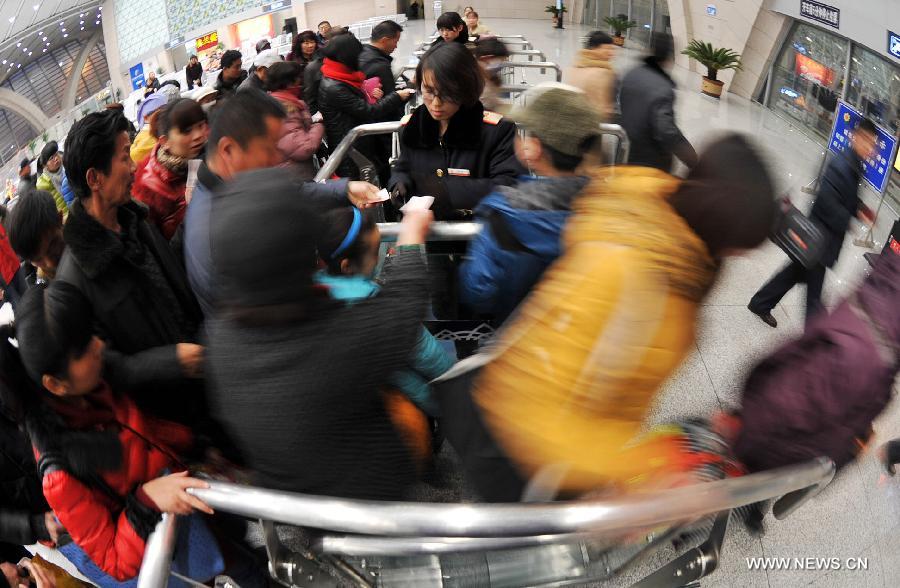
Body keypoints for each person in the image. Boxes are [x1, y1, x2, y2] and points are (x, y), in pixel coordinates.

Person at [438, 134, 776, 501]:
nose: (741, 256)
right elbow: (534, 411)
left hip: (582, 436)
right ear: (720, 221)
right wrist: (642, 466)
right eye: (741, 244)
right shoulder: (631, 273)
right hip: (526, 458)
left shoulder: (669, 232)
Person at [14, 281, 265, 587]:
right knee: (238, 567)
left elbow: (140, 431)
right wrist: (146, 502)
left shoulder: (96, 383)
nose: (99, 345)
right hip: (174, 533)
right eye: (83, 348)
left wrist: (193, 444)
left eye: (90, 334)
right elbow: (114, 561)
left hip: (189, 492)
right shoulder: (61, 475)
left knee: (241, 547)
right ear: (55, 383)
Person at [207, 168, 435, 499]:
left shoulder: (222, 335)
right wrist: (412, 235)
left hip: (294, 499)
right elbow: (403, 306)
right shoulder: (333, 342)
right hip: (370, 496)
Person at [57, 110, 205, 421]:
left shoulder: (135, 218)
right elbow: (107, 368)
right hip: (171, 413)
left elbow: (168, 275)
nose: (134, 166)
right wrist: (171, 362)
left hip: (204, 372)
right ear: (94, 178)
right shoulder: (76, 278)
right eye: (125, 157)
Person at [183, 90, 379, 318]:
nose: (279, 158)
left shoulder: (241, 187)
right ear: (228, 150)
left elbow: (291, 192)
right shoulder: (212, 236)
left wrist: (343, 188)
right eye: (269, 149)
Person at [731, 247, 899, 475]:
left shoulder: (882, 313)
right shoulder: (869, 355)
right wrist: (744, 460)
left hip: (770, 448)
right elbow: (782, 409)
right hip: (755, 458)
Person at [459, 85, 601, 324]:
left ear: (534, 149)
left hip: (521, 336)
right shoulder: (611, 204)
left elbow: (478, 291)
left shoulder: (503, 213)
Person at [315, 207, 454, 415]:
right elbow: (429, 358)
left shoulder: (316, 296)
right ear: (347, 266)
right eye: (374, 252)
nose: (378, 259)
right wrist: (456, 391)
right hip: (413, 403)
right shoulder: (375, 306)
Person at [748, 118, 877, 327]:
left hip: (821, 237)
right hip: (820, 236)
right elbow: (827, 201)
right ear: (856, 137)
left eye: (873, 145)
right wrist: (848, 222)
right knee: (814, 295)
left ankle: (760, 303)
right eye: (868, 142)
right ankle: (814, 336)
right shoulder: (842, 164)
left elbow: (847, 197)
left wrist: (860, 208)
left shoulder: (854, 164)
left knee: (794, 273)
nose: (871, 149)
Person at [389, 42, 524, 219]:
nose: (436, 103)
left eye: (447, 93)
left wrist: (448, 191)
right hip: (429, 234)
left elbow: (511, 187)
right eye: (429, 91)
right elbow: (403, 166)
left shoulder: (497, 132)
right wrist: (398, 184)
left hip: (478, 233)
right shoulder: (415, 127)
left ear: (467, 88)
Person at [319, 34, 415, 180]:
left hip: (361, 143)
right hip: (350, 150)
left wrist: (369, 93)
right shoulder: (334, 87)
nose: (360, 59)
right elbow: (368, 111)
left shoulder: (340, 76)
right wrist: (396, 96)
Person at [132, 98, 209, 240]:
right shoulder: (148, 188)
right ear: (165, 142)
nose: (198, 135)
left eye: (201, 125)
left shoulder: (208, 156)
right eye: (187, 131)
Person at [619, 32, 697, 172]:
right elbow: (667, 131)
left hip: (627, 150)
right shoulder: (663, 88)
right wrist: (693, 161)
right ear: (669, 57)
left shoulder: (631, 74)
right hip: (651, 162)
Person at [359, 20, 406, 184]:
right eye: (395, 41)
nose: (396, 46)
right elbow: (390, 101)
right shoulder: (379, 65)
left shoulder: (363, 54)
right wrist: (402, 97)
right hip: (381, 129)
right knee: (386, 168)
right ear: (385, 40)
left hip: (369, 125)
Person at [266, 61, 325, 180]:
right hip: (294, 178)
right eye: (298, 78)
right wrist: (318, 125)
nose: (301, 81)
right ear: (288, 83)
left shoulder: (282, 102)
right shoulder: (284, 109)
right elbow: (303, 148)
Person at [7, 190, 64, 281]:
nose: (50, 263)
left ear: (60, 219)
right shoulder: (44, 285)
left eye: (53, 245)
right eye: (38, 260)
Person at [565, 30, 618, 121]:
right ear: (594, 48)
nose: (611, 53)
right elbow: (604, 109)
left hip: (572, 118)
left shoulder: (576, 65)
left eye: (612, 49)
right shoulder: (603, 73)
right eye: (607, 49)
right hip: (590, 123)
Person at [474, 37, 510, 113]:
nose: (500, 65)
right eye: (500, 61)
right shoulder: (474, 81)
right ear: (485, 58)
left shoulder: (489, 76)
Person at [131, 92, 169, 163]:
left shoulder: (143, 134)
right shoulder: (148, 138)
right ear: (146, 118)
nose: (163, 115)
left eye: (165, 110)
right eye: (157, 113)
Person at [35, 142, 66, 215]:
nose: (56, 158)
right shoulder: (42, 184)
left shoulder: (68, 164)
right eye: (51, 158)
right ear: (45, 165)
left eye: (56, 154)